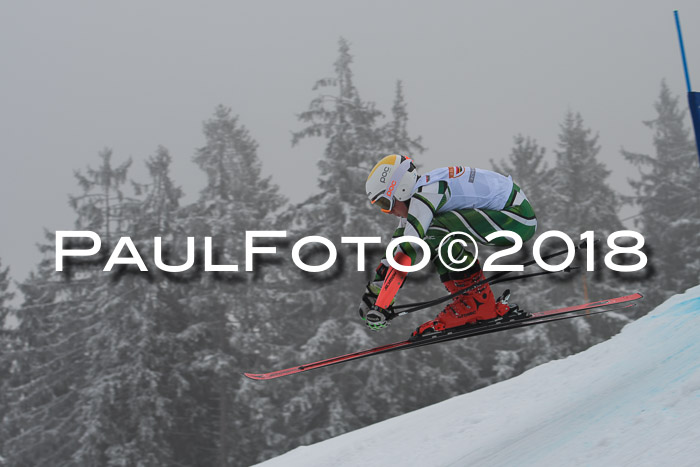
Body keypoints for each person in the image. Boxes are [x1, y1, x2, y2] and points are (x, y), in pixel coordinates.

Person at [359, 154, 537, 337]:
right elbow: (399, 246)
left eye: (385, 203)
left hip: (518, 219)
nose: (387, 212)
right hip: (511, 216)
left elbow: (407, 251)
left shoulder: (427, 194)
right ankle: (469, 300)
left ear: (401, 189)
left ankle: (476, 303)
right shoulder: (422, 194)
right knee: (430, 233)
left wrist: (382, 304)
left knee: (433, 230)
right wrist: (374, 292)